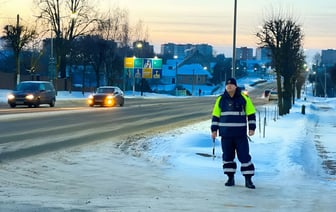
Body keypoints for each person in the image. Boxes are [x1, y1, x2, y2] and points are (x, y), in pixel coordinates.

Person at [211, 78, 257, 189]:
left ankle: (248, 180)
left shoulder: (244, 98)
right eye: (227, 85)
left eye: (231, 85)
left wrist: (252, 128)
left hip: (240, 135)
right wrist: (214, 130)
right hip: (226, 135)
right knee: (227, 157)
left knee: (244, 157)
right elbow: (215, 116)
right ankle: (230, 178)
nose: (229, 86)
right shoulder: (220, 99)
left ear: (236, 86)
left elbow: (251, 114)